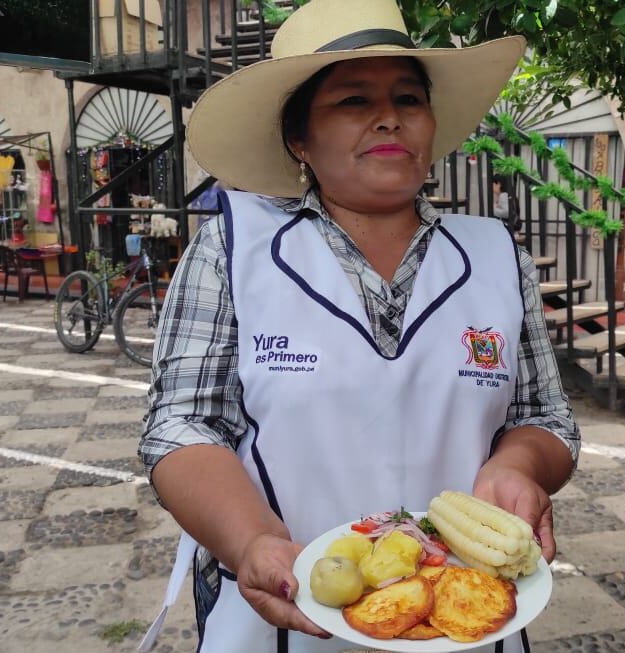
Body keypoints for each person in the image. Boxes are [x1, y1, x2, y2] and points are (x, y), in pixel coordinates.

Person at [138, 1, 580, 651]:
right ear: (299, 138)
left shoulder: (494, 256)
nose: (389, 116)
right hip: (281, 621)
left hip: (463, 619)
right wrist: (250, 538)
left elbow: (546, 418)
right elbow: (181, 425)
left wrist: (521, 465)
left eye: (409, 97)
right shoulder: (234, 249)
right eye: (353, 100)